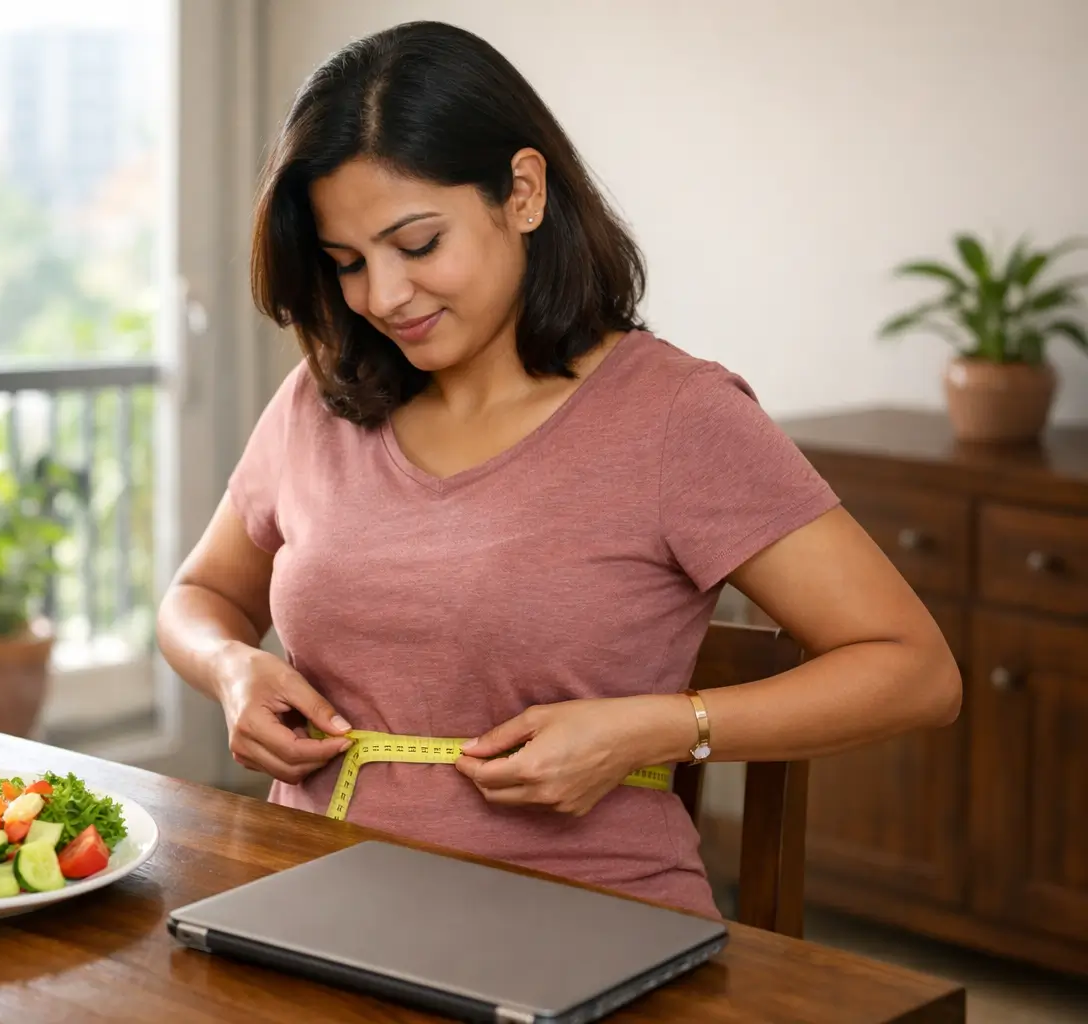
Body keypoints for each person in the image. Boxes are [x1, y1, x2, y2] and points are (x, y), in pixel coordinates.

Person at [155, 20, 960, 918]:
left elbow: (916, 671)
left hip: (586, 920)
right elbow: (198, 596)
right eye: (347, 263)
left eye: (418, 245)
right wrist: (230, 666)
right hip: (314, 900)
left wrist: (662, 727)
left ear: (524, 192)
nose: (382, 297)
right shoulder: (321, 400)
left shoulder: (675, 418)